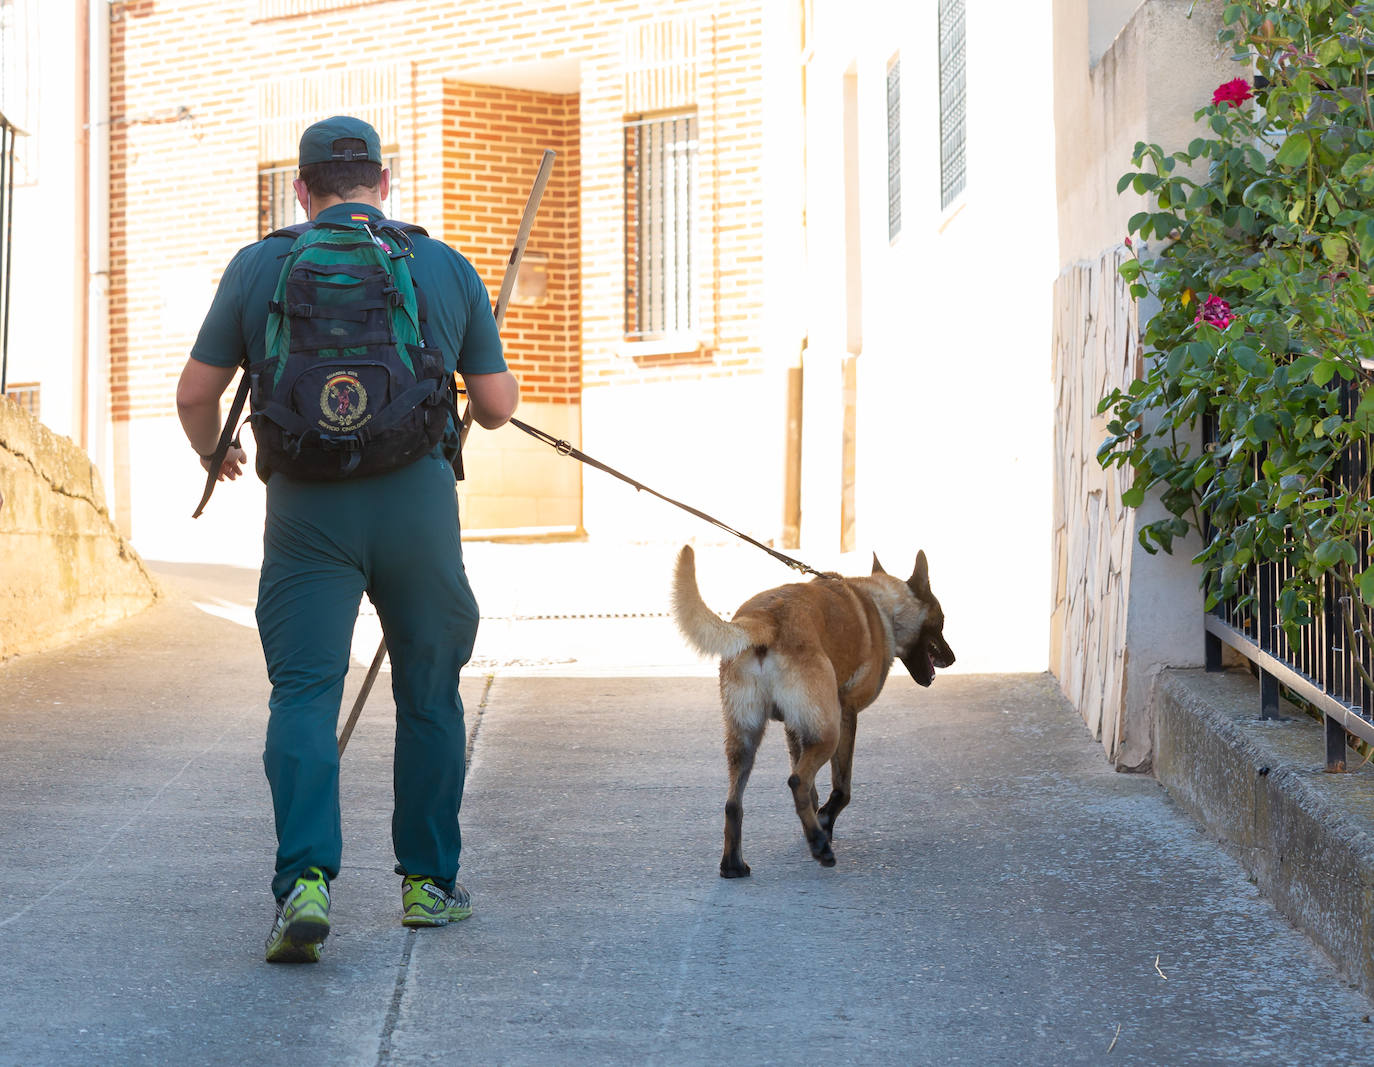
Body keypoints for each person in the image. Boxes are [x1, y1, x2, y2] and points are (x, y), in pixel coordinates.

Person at [176, 116, 518, 963]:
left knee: (301, 696)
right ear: (384, 182)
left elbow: (194, 393)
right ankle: (429, 887)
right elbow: (499, 403)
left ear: (302, 191)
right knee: (430, 692)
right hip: (417, 508)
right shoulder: (442, 265)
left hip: (304, 516)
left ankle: (303, 884)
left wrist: (214, 455)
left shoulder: (261, 265)